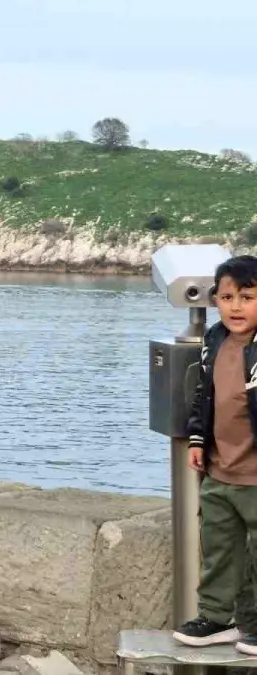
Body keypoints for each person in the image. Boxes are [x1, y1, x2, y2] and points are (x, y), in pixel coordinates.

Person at [175, 255, 257, 654]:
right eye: (227, 297)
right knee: (219, 549)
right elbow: (203, 396)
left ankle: (254, 625)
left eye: (247, 297)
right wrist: (197, 440)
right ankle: (217, 618)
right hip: (220, 470)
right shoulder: (215, 339)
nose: (235, 307)